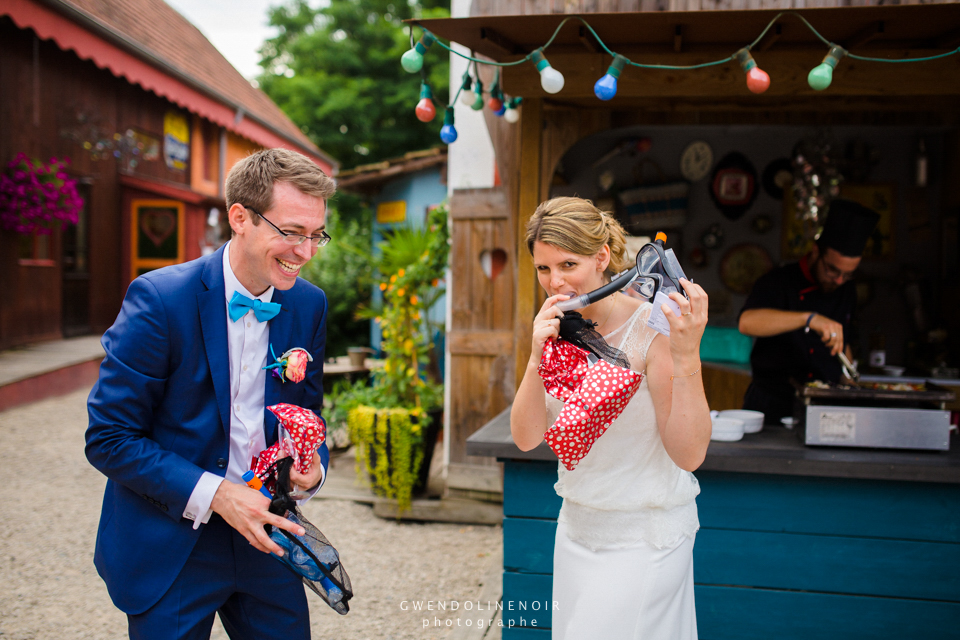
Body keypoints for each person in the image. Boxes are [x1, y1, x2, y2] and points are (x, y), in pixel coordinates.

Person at [85, 148, 336, 639]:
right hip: (172, 538)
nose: (305, 253)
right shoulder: (159, 299)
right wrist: (219, 495)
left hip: (268, 530)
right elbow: (109, 437)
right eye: (290, 233)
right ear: (239, 217)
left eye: (315, 235)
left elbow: (307, 412)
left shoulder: (308, 304)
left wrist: (314, 464)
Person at [510, 197, 711, 640]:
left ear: (602, 258)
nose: (554, 282)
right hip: (578, 529)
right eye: (543, 269)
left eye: (567, 264)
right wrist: (532, 359)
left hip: (644, 537)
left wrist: (687, 353)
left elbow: (690, 453)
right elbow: (525, 439)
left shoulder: (650, 329)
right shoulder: (557, 326)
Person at [738, 198, 881, 422]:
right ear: (816, 252)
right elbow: (747, 322)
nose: (839, 280)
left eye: (848, 274)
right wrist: (809, 319)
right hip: (772, 402)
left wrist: (849, 384)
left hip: (824, 404)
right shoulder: (779, 280)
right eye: (833, 270)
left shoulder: (846, 289)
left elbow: (845, 340)